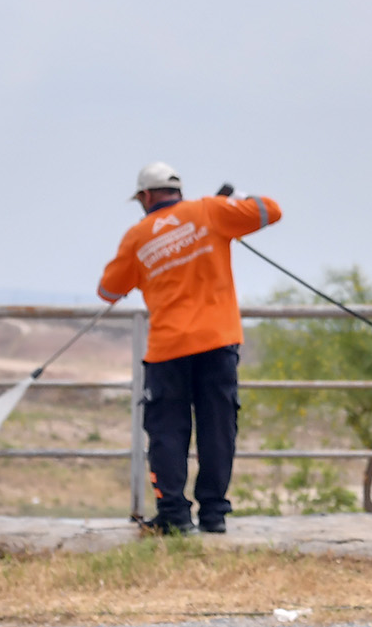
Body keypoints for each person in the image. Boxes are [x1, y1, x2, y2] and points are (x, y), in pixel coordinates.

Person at [98, 162, 283, 535]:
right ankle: (214, 514)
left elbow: (109, 290)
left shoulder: (137, 236)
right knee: (218, 427)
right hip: (218, 342)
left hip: (168, 349)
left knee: (167, 431)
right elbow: (270, 210)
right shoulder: (210, 211)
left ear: (145, 196)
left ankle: (174, 515)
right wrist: (231, 201)